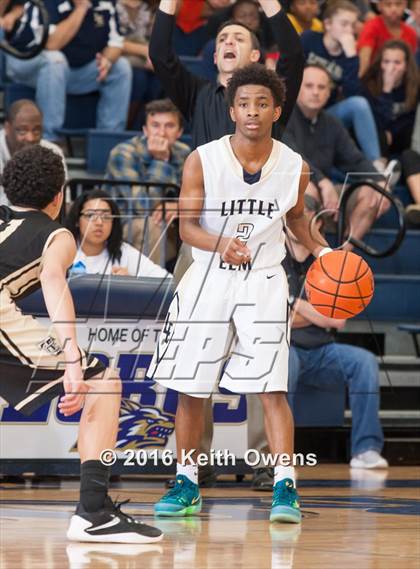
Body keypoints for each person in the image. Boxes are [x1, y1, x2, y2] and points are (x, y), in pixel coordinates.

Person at [147, 63, 335, 523]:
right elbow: (187, 227)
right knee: (192, 387)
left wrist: (323, 251)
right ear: (232, 110)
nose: (253, 112)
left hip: (265, 278)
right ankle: (187, 483)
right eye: (244, 104)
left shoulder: (295, 166)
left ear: (277, 109)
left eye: (262, 104)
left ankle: (285, 487)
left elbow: (294, 221)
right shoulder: (202, 159)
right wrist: (221, 242)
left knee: (272, 387)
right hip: (208, 274)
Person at [0, 145, 163, 543]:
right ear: (59, 197)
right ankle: (93, 512)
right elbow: (54, 280)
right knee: (104, 382)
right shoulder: (57, 234)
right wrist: (72, 357)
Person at [284, 196, 388, 470]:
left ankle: (365, 449)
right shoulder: (274, 258)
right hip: (286, 349)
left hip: (322, 352)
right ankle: (283, 455)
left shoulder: (330, 261)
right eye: (296, 218)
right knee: (285, 365)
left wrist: (294, 303)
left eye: (307, 218)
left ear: (316, 223)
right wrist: (317, 314)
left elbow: (338, 319)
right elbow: (275, 320)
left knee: (364, 362)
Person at [149, 0, 305, 149]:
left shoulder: (271, 94)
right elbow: (159, 54)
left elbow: (293, 55)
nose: (229, 42)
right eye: (222, 39)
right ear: (216, 58)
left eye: (239, 39)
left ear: (254, 55)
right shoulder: (197, 94)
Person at [283, 64, 393, 248]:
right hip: (294, 191)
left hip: (326, 193)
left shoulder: (332, 124)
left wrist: (380, 181)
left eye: (321, 87)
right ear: (297, 89)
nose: (316, 92)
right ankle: (300, 269)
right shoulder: (283, 118)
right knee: (306, 188)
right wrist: (322, 181)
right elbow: (294, 157)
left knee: (371, 193)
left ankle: (342, 258)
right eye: (309, 86)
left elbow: (355, 160)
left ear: (329, 93)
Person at [6, 0, 132, 142]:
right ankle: (49, 139)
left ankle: (108, 140)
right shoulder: (47, 3)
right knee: (55, 60)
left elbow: (116, 43)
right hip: (26, 63)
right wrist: (81, 9)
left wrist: (107, 61)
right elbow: (52, 44)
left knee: (121, 67)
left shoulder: (105, 3)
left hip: (68, 71)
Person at [106, 98, 190, 267]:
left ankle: (187, 291)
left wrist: (180, 207)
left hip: (170, 225)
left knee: (197, 231)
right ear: (145, 129)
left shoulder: (184, 153)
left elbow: (195, 196)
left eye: (169, 126)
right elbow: (143, 206)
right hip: (122, 224)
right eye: (155, 125)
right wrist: (161, 161)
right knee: (152, 226)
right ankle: (150, 291)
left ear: (179, 132)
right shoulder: (123, 153)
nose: (161, 133)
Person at [301, 0, 385, 168]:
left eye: (353, 25)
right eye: (344, 24)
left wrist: (351, 56)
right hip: (297, 110)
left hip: (324, 114)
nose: (349, 30)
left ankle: (376, 166)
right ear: (328, 24)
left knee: (359, 104)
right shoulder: (309, 39)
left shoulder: (349, 56)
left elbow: (352, 92)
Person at [66, 189, 172, 278]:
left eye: (106, 216)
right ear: (77, 221)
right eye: (90, 216)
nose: (99, 222)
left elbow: (166, 280)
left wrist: (131, 282)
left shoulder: (124, 252)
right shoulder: (64, 250)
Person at [0, 100, 67, 206]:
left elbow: (62, 203)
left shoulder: (53, 152)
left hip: (40, 220)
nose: (30, 138)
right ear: (7, 128)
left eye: (36, 130)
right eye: (22, 131)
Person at [363, 40, 419, 157]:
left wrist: (392, 131)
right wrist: (386, 90)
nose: (391, 68)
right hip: (376, 139)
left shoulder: (415, 85)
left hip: (403, 140)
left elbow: (411, 120)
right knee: (381, 135)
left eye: (397, 62)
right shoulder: (369, 84)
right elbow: (374, 121)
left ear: (406, 66)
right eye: (386, 62)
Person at [117, 0, 162, 128]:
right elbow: (108, 41)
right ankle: (126, 127)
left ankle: (143, 127)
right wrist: (144, 51)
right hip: (117, 58)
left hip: (145, 61)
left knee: (160, 79)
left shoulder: (152, 8)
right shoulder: (111, 5)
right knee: (138, 78)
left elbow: (158, 40)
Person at [357, 0, 417, 76]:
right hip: (374, 80)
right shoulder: (371, 27)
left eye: (398, 4)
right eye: (388, 4)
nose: (393, 9)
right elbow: (364, 62)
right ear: (379, 6)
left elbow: (411, 66)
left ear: (405, 5)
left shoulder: (411, 33)